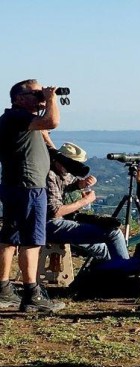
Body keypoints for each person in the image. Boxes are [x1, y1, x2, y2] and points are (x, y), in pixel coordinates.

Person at [0, 79, 66, 313]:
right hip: (29, 187)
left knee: (10, 238)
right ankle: (32, 295)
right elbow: (53, 121)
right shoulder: (18, 117)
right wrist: (51, 99)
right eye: (35, 93)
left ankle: (4, 289)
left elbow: (46, 130)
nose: (40, 96)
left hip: (16, 184)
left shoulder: (13, 118)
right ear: (19, 98)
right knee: (31, 240)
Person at [45, 142, 130, 263]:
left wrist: (82, 184)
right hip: (51, 225)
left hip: (61, 221)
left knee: (103, 248)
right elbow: (55, 211)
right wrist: (84, 201)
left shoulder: (64, 172)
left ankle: (116, 274)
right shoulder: (50, 175)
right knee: (114, 233)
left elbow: (69, 185)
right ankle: (127, 272)